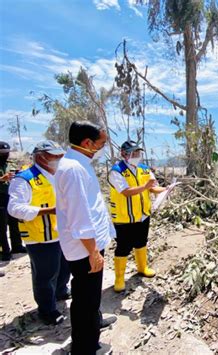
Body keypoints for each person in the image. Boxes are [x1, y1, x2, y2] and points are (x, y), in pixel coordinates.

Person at [55, 121, 115, 354]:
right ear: (87, 143)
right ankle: (85, 347)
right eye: (100, 144)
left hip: (90, 245)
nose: (102, 148)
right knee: (85, 299)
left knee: (90, 295)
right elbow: (80, 215)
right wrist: (93, 252)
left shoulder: (80, 163)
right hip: (84, 249)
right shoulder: (73, 169)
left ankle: (94, 327)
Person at [8, 140, 70, 325]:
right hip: (40, 236)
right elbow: (15, 208)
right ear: (41, 157)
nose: (59, 158)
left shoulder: (59, 174)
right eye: (55, 156)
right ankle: (47, 311)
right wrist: (46, 211)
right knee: (45, 274)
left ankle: (61, 291)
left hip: (62, 232)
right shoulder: (24, 178)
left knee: (64, 267)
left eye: (60, 155)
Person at [109, 140, 167, 292]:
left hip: (142, 214)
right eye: (133, 153)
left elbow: (152, 188)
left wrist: (166, 190)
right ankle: (119, 279)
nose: (136, 156)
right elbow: (126, 191)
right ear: (123, 154)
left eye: (138, 153)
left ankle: (142, 268)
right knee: (123, 247)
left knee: (141, 242)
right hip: (124, 217)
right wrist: (146, 187)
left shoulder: (144, 169)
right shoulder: (116, 171)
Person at [0, 141, 26, 261]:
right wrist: (1, 179)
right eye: (2, 153)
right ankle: (4, 251)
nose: (5, 155)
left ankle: (17, 246)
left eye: (6, 153)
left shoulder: (10, 164)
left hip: (10, 196)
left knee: (14, 223)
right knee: (1, 227)